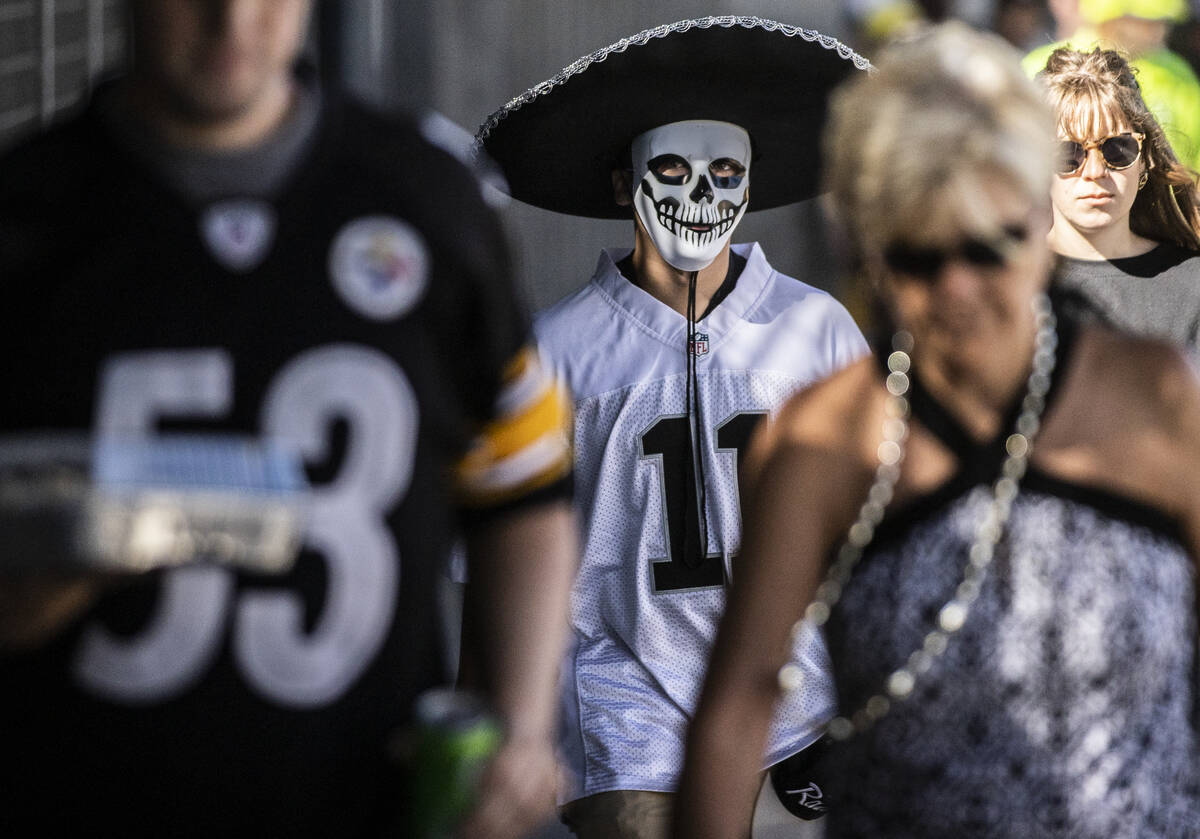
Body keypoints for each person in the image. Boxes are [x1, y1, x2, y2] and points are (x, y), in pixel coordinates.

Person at [0, 2, 576, 838]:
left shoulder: (430, 201)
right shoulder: (26, 222)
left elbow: (523, 489)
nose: (233, 21)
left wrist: (521, 724)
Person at [677, 21, 1200, 839]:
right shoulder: (824, 439)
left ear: (1038, 220)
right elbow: (740, 700)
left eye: (991, 247)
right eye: (920, 256)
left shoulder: (1154, 397)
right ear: (867, 251)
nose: (958, 288)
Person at [476, 15, 870, 839]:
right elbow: (495, 555)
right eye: (672, 170)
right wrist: (490, 728)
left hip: (798, 701)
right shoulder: (556, 351)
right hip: (626, 708)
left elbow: (878, 519)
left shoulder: (816, 328)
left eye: (726, 173)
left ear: (752, 187)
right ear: (624, 185)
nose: (702, 195)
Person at [1038, 46, 1200, 350]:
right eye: (1069, 153)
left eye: (1118, 149)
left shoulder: (1194, 286)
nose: (1095, 171)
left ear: (1145, 161)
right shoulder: (1003, 283)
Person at [1023, 0, 1200, 170]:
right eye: (1145, 22)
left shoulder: (1176, 71)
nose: (1159, 31)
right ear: (1112, 19)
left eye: (1162, 22)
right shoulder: (1041, 66)